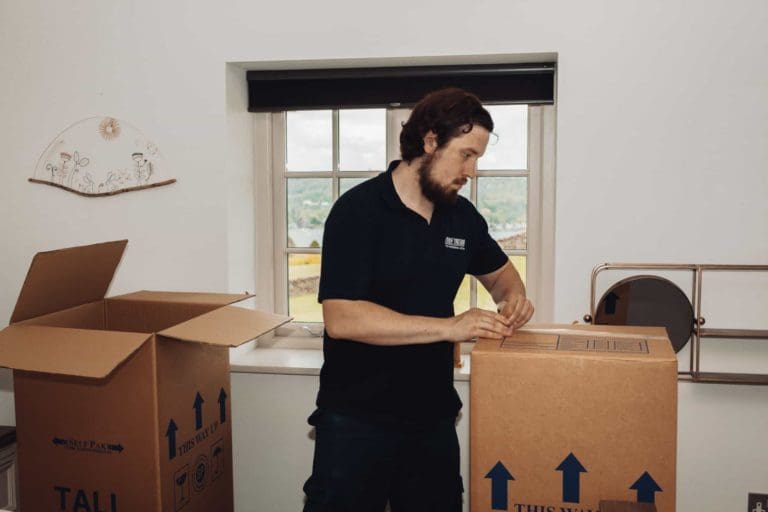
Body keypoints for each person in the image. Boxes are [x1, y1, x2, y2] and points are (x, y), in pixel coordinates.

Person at [303, 87, 534, 512]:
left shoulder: (462, 218)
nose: (472, 171)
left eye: (477, 158)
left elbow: (503, 278)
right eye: (465, 155)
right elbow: (342, 317)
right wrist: (450, 327)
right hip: (355, 422)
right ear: (429, 142)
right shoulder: (357, 212)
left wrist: (514, 298)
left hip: (432, 422)